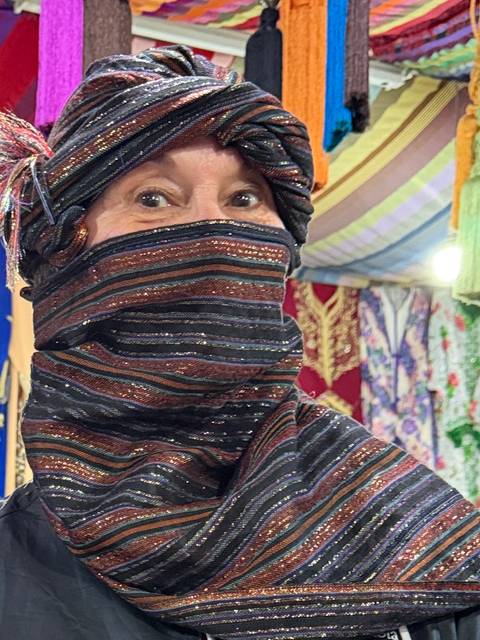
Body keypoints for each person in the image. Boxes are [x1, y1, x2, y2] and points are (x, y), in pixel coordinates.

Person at [0, 45, 479, 640]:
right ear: (67, 258)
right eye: (153, 198)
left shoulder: (411, 531)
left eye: (245, 199)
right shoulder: (14, 569)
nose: (217, 230)